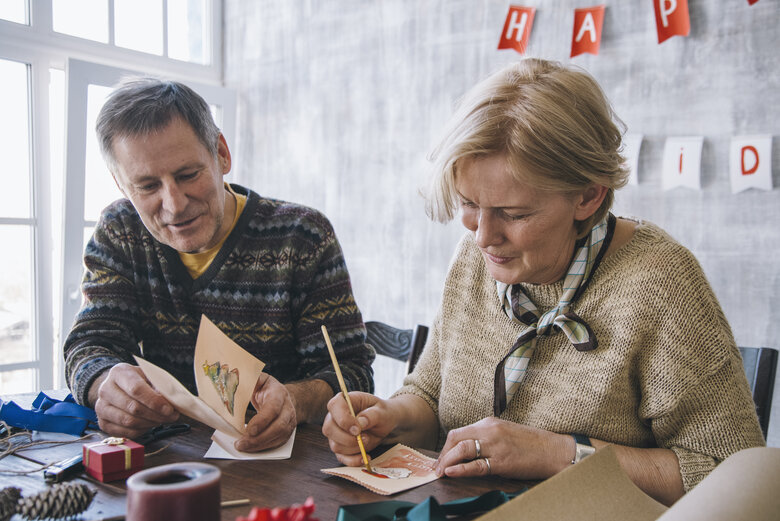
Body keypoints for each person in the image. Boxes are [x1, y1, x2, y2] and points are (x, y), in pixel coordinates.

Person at [322, 58, 764, 505]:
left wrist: (560, 454)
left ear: (588, 195)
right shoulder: (475, 259)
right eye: (469, 203)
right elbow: (433, 396)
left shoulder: (661, 283)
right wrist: (389, 418)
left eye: (514, 214)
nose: (483, 236)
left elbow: (733, 476)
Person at [64, 77, 374, 452]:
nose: (174, 204)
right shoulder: (120, 231)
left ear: (222, 154)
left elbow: (352, 373)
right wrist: (104, 384)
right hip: (169, 458)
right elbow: (89, 345)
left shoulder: (302, 237)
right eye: (147, 186)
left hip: (281, 468)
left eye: (187, 174)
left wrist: (293, 399)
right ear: (120, 184)